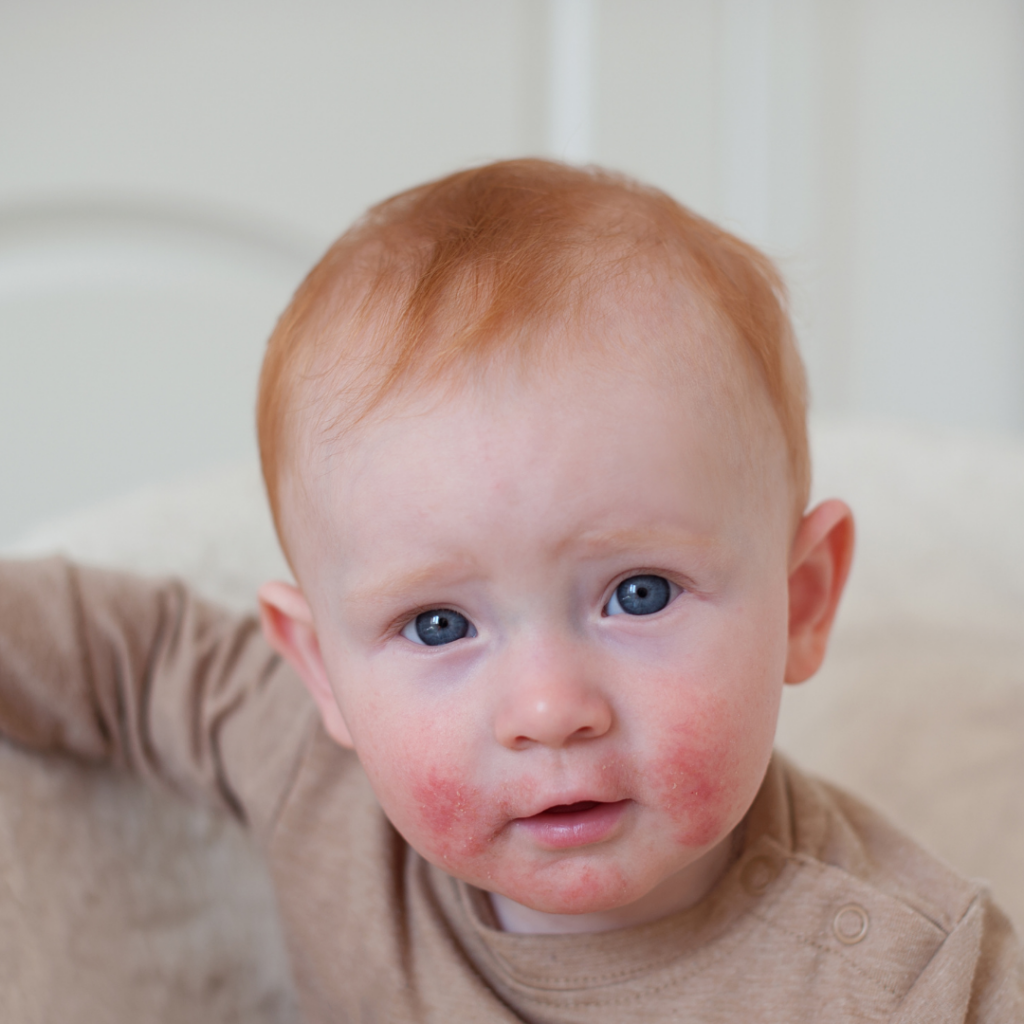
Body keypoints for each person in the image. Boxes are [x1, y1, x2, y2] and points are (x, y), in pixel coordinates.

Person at [0, 159, 1020, 1022]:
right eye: (439, 623)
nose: (548, 709)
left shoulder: (907, 976)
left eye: (638, 593)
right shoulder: (316, 776)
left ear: (801, 602)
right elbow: (116, 650)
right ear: (320, 668)